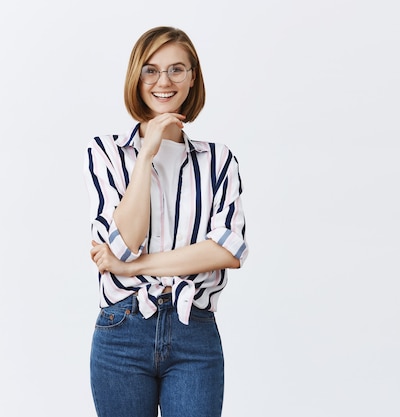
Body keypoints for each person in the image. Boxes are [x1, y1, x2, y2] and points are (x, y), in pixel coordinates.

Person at [84, 26, 248, 417]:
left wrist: (132, 267)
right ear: (136, 78)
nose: (164, 81)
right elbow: (124, 241)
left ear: (193, 77)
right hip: (122, 331)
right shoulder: (107, 152)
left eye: (177, 69)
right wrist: (145, 156)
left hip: (194, 332)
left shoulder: (219, 160)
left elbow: (226, 250)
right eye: (151, 70)